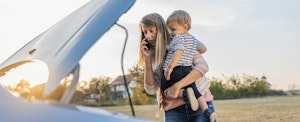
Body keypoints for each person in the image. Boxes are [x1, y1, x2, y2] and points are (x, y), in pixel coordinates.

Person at [138, 13, 216, 122]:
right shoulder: (152, 56)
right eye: (145, 32)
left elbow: (203, 67)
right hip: (174, 112)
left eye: (151, 31)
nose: (148, 36)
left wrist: (177, 87)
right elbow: (151, 89)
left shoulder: (179, 40)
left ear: (160, 29)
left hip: (200, 105)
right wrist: (147, 59)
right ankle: (184, 93)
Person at [162, 10, 215, 121]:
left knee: (164, 86)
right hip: (188, 70)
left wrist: (170, 67)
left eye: (173, 29)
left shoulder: (178, 38)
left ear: (185, 26)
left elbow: (178, 51)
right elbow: (204, 48)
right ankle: (206, 111)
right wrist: (191, 51)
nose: (171, 33)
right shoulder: (194, 40)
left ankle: (184, 93)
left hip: (176, 70)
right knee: (195, 91)